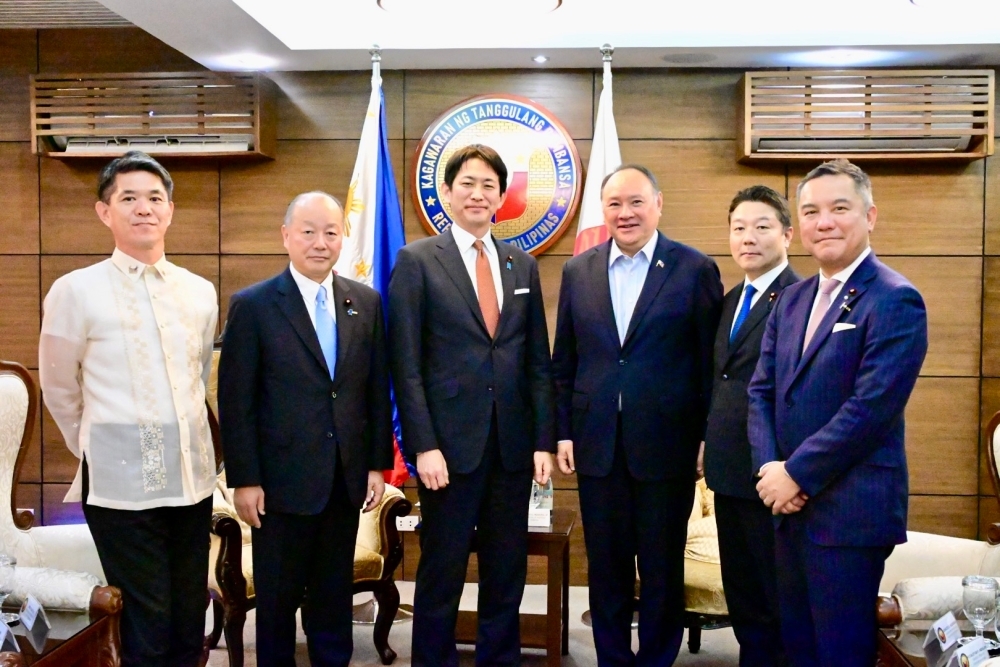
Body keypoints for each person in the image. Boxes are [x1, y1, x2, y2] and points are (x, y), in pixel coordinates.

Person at [39, 151, 218, 667]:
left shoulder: (199, 292)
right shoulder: (76, 290)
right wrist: (95, 443)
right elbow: (58, 386)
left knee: (190, 616)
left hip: (191, 478)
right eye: (129, 198)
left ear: (170, 210)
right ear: (105, 212)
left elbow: (196, 376)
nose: (144, 208)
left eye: (155, 198)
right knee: (147, 622)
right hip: (120, 485)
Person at [748, 159, 928, 667]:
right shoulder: (791, 299)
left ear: (869, 216)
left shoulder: (895, 298)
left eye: (839, 208)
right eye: (810, 211)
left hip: (849, 515)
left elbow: (870, 409)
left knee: (840, 653)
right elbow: (761, 391)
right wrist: (770, 470)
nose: (823, 222)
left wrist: (796, 474)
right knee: (797, 649)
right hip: (787, 510)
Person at [388, 144, 555, 667]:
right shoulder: (417, 261)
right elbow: (405, 365)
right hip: (447, 451)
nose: (478, 194)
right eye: (467, 183)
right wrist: (423, 446)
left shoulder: (521, 264)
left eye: (488, 185)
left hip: (511, 448)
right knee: (442, 572)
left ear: (502, 197)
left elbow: (537, 362)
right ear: (447, 192)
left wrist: (543, 441)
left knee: (506, 574)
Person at [552, 164, 723, 665]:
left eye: (636, 202)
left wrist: (706, 434)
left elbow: (712, 365)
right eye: (614, 204)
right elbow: (565, 361)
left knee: (661, 567)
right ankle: (612, 659)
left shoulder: (694, 269)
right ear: (603, 210)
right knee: (606, 568)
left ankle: (655, 660)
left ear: (658, 205)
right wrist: (563, 431)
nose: (625, 213)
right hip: (597, 443)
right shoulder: (578, 271)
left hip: (668, 445)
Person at [217, 191, 393, 666]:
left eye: (331, 232)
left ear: (343, 238)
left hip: (343, 480)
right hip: (278, 486)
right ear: (286, 236)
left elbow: (375, 390)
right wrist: (245, 479)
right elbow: (237, 402)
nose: (320, 242)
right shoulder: (253, 305)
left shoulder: (365, 302)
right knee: (277, 603)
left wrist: (377, 465)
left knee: (333, 600)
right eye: (309, 231)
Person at [702, 185, 799, 667]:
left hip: (773, 472)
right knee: (743, 596)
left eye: (762, 227)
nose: (748, 238)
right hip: (727, 470)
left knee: (776, 597)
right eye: (739, 228)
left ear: (787, 234)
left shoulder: (801, 299)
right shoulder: (731, 299)